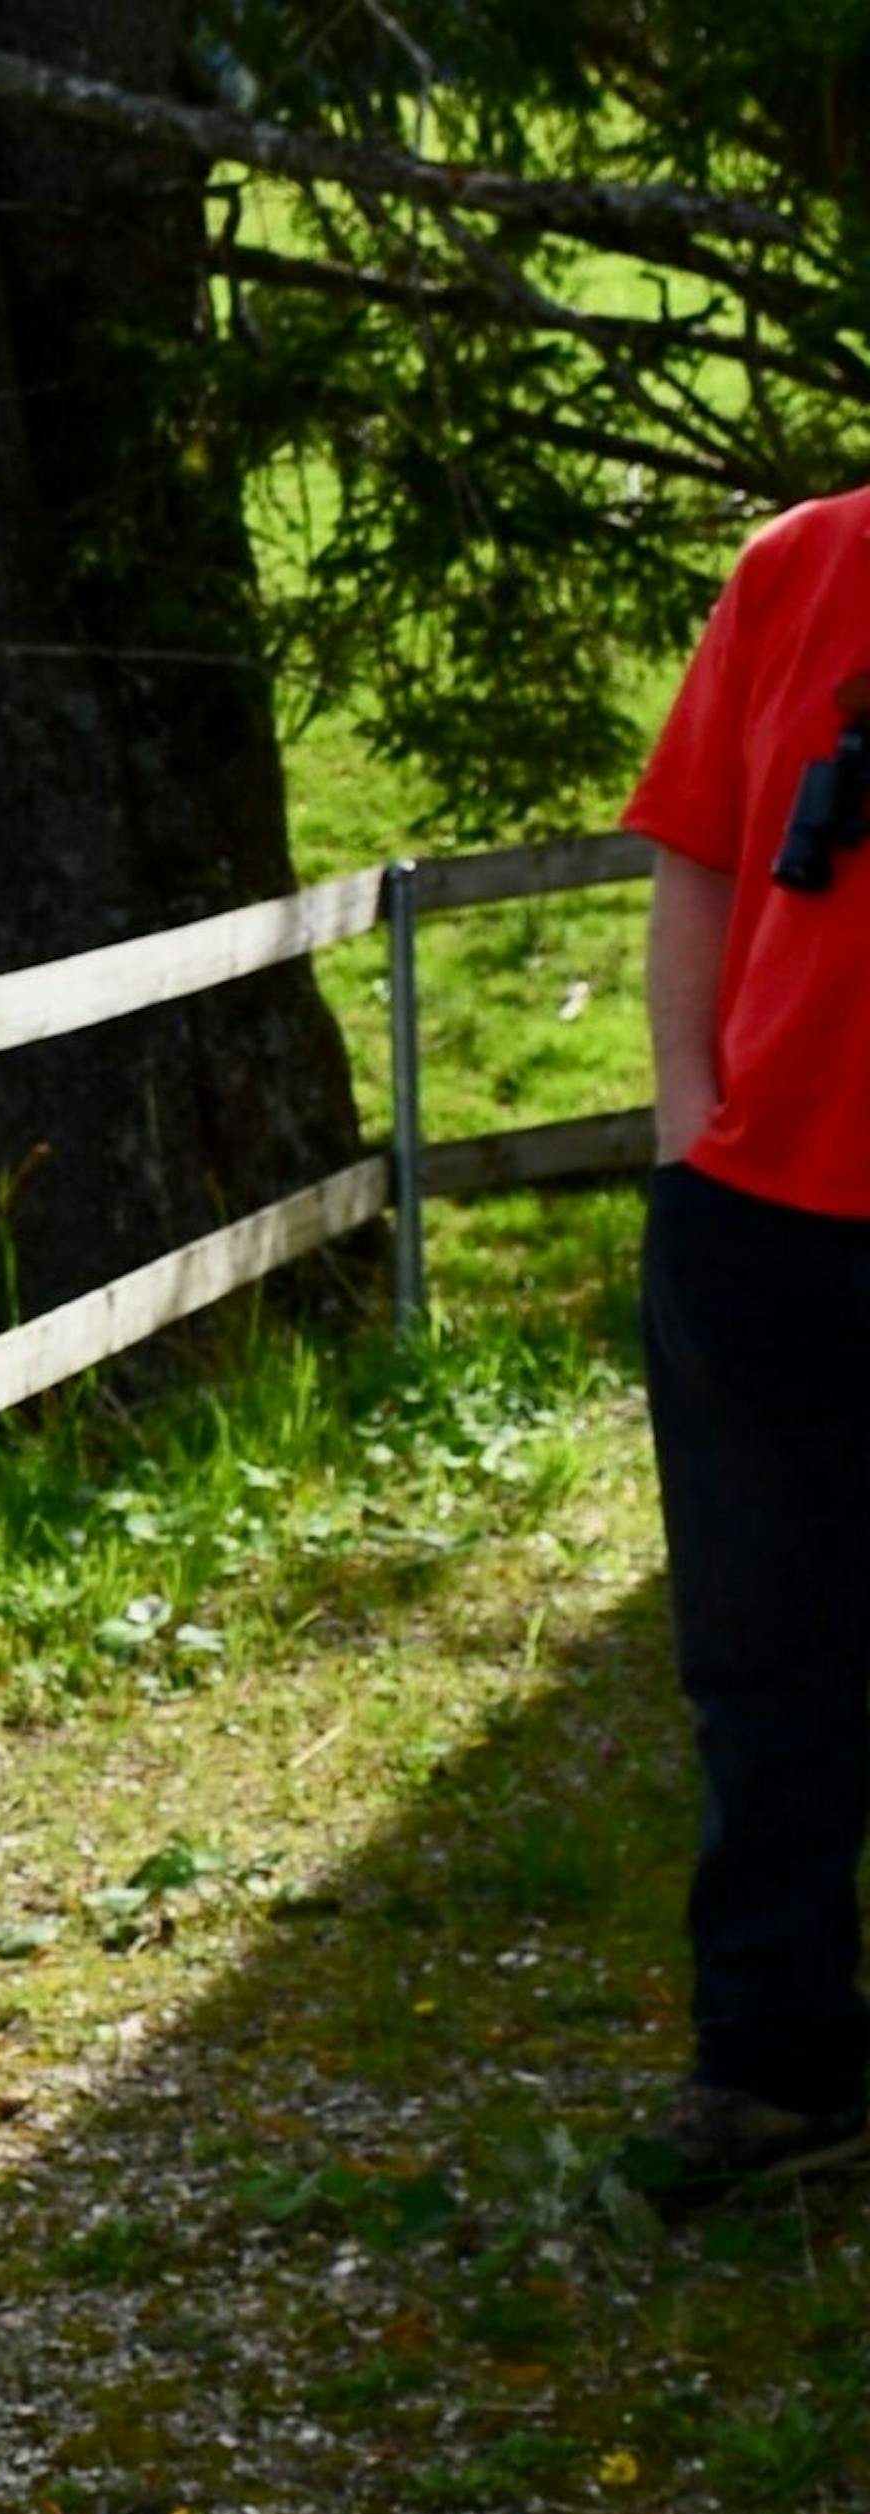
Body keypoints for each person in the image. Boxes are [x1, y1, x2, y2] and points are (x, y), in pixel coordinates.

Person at [620, 485, 870, 2204]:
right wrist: (690, 1125)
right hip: (764, 1220)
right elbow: (700, 855)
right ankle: (780, 2072)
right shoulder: (801, 562)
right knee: (765, 1668)